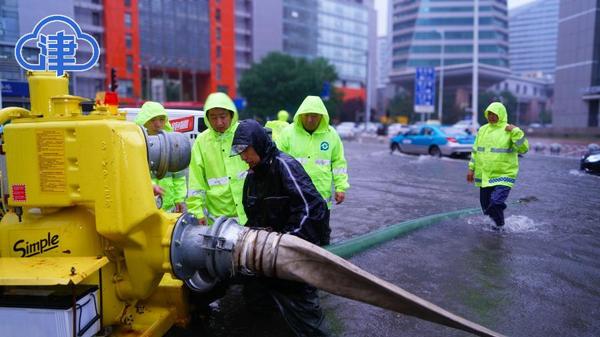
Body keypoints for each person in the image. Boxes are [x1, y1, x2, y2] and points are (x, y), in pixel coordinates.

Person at [231, 119, 330, 337]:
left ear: (258, 144)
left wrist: (284, 243)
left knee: (305, 313)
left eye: (246, 151)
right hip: (265, 255)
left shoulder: (284, 165)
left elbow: (312, 210)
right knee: (256, 300)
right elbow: (253, 216)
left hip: (292, 250)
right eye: (240, 153)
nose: (243, 158)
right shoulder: (252, 176)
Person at [277, 96, 349, 244]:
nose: (310, 119)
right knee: (295, 238)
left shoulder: (331, 135)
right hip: (295, 197)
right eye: (307, 115)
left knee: (322, 237)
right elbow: (277, 162)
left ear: (321, 116)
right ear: (301, 115)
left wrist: (340, 187)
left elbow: (338, 162)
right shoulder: (288, 133)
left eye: (314, 116)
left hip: (321, 198)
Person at [187, 92, 249, 225]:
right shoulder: (201, 141)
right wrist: (197, 212)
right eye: (213, 117)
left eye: (223, 116)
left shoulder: (244, 133)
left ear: (231, 114)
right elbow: (196, 182)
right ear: (207, 118)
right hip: (218, 219)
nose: (219, 122)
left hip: (250, 213)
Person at [467, 102, 529, 228]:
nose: (491, 116)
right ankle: (497, 229)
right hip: (485, 176)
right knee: (486, 207)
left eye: (494, 114)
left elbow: (524, 149)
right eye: (489, 113)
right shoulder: (483, 130)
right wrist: (471, 169)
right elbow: (475, 151)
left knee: (495, 203)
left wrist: (516, 131)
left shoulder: (509, 129)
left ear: (500, 114)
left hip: (504, 175)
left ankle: (500, 227)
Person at [134, 101, 187, 212]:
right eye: (153, 120)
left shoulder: (172, 144)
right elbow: (135, 175)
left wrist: (179, 199)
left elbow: (179, 176)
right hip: (146, 207)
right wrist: (151, 187)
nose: (158, 124)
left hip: (170, 207)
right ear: (144, 121)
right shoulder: (136, 145)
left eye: (161, 120)